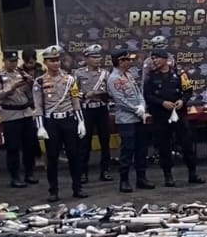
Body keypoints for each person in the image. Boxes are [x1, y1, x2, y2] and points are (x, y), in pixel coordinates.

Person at [34, 45, 88, 201]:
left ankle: (77, 188)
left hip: (69, 120)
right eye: (52, 60)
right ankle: (53, 191)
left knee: (74, 155)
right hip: (51, 122)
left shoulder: (70, 79)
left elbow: (75, 101)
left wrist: (81, 122)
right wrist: (40, 126)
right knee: (52, 157)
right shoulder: (39, 81)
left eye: (57, 60)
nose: (55, 63)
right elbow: (38, 106)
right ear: (45, 62)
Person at [144, 50, 204, 186]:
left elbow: (188, 91)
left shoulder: (179, 74)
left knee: (187, 144)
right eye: (153, 59)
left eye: (157, 58)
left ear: (166, 59)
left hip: (179, 115)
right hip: (161, 116)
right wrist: (162, 103)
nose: (155, 61)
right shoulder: (151, 77)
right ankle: (168, 176)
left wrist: (182, 101)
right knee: (164, 147)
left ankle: (193, 173)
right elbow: (148, 96)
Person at [107, 49, 154, 193]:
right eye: (128, 60)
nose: (131, 62)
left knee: (141, 148)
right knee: (127, 150)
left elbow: (138, 92)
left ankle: (141, 178)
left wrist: (142, 106)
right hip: (126, 120)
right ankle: (124, 181)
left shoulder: (128, 74)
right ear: (121, 61)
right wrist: (136, 109)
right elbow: (120, 100)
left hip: (139, 117)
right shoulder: (113, 78)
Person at [0, 50, 37, 188]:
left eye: (15, 61)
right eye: (10, 61)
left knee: (30, 145)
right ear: (4, 61)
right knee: (13, 147)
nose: (13, 64)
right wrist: (11, 88)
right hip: (10, 115)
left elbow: (32, 89)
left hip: (26, 112)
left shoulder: (21, 73)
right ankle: (15, 176)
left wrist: (30, 82)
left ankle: (29, 173)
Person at [74, 45, 115, 182]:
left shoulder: (105, 73)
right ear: (86, 58)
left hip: (101, 109)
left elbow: (111, 91)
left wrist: (103, 94)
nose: (97, 59)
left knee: (105, 141)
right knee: (84, 142)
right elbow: (73, 93)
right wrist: (86, 94)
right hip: (86, 109)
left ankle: (105, 170)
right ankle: (82, 172)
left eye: (98, 57)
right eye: (94, 57)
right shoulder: (78, 73)